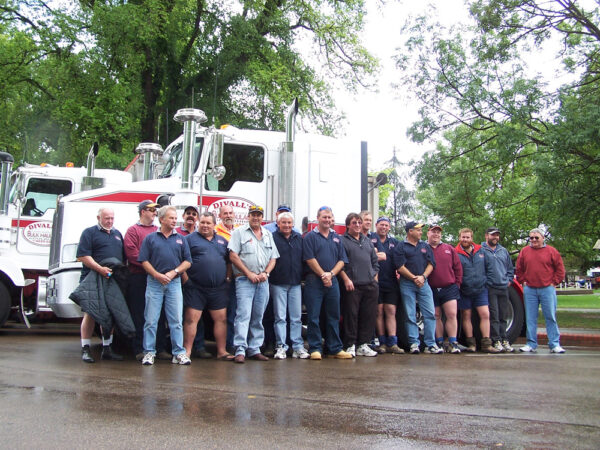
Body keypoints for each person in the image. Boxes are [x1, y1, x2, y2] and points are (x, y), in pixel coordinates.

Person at [138, 206, 192, 365]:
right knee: (151, 320)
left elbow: (188, 261)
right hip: (154, 283)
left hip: (174, 283)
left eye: (175, 218)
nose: (175, 221)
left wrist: (174, 272)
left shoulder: (181, 239)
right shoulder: (150, 238)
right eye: (171, 218)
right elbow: (144, 260)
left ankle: (179, 353)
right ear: (162, 219)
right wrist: (156, 275)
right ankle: (149, 352)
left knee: (176, 320)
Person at [228, 205, 279, 363]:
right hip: (244, 280)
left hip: (263, 281)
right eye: (253, 215)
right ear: (248, 216)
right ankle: (240, 349)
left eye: (258, 215)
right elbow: (233, 255)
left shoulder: (268, 234)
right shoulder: (239, 232)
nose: (256, 217)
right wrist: (248, 273)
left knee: (258, 316)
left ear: (262, 217)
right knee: (243, 315)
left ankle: (254, 349)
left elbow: (273, 258)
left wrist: (266, 273)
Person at [303, 206, 352, 360]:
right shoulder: (310, 237)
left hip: (333, 281)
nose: (327, 220)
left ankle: (334, 348)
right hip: (314, 281)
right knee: (314, 316)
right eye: (324, 217)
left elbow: (342, 260)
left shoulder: (336, 237)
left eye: (330, 217)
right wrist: (323, 275)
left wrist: (330, 274)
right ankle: (315, 348)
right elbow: (309, 258)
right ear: (318, 218)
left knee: (334, 316)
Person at [76, 207, 125, 363]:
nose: (110, 221)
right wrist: (100, 269)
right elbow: (83, 256)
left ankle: (107, 348)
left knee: (109, 314)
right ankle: (85, 349)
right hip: (92, 279)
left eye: (112, 218)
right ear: (99, 218)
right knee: (90, 313)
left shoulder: (118, 235)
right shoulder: (89, 233)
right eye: (106, 218)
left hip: (111, 280)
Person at [182, 212, 233, 360]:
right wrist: (186, 280)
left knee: (221, 319)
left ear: (214, 225)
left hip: (218, 289)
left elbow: (229, 261)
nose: (205, 225)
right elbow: (180, 260)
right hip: (195, 288)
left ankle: (222, 352)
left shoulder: (223, 241)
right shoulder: (188, 240)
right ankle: (186, 352)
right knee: (191, 319)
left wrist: (228, 278)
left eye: (208, 223)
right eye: (202, 222)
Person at [124, 200, 171, 361]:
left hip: (158, 278)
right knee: (140, 313)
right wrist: (153, 267)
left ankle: (160, 347)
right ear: (142, 211)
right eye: (151, 210)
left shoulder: (158, 231)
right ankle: (140, 348)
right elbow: (132, 254)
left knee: (160, 314)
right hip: (139, 277)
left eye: (155, 210)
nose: (154, 213)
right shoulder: (133, 231)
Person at [392, 221, 441, 354]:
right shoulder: (401, 246)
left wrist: (423, 277)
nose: (420, 232)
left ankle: (431, 344)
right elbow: (400, 266)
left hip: (424, 283)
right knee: (410, 314)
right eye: (418, 230)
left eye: (420, 230)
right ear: (410, 231)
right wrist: (414, 278)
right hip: (407, 283)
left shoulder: (425, 246)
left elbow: (431, 264)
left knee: (430, 313)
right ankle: (414, 343)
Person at [516, 228, 566, 353]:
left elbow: (560, 269)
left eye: (536, 237)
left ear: (543, 238)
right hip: (530, 289)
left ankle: (554, 344)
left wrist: (554, 282)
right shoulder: (524, 251)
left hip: (547, 289)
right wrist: (523, 281)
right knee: (530, 318)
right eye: (531, 238)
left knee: (550, 317)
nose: (533, 240)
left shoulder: (552, 251)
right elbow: (519, 268)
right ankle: (531, 343)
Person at [339, 213, 380, 357]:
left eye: (359, 222)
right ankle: (350, 345)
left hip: (370, 285)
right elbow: (340, 262)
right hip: (352, 285)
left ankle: (363, 345)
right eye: (354, 222)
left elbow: (375, 262)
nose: (357, 225)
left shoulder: (367, 241)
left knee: (368, 316)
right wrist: (346, 279)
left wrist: (373, 277)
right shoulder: (342, 241)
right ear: (348, 225)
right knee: (351, 316)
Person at [270, 212, 309, 359]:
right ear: (278, 224)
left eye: (289, 223)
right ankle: (281, 347)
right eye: (283, 222)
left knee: (296, 318)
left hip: (295, 284)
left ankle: (298, 347)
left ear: (293, 224)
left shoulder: (299, 238)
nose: (286, 225)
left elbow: (304, 259)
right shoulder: (272, 238)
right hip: (278, 283)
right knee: (280, 317)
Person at [175, 205, 212, 359]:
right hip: (186, 284)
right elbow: (179, 258)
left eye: (193, 214)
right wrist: (186, 279)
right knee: (184, 317)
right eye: (188, 213)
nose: (191, 216)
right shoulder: (179, 234)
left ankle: (199, 346)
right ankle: (182, 349)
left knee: (198, 319)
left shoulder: (203, 235)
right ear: (183, 216)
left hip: (204, 287)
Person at [455, 228, 496, 353]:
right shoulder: (455, 253)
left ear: (472, 238)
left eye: (467, 237)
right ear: (459, 238)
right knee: (466, 316)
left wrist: (487, 283)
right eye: (463, 237)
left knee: (485, 314)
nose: (465, 239)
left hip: (480, 290)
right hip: (464, 291)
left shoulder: (481, 251)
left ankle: (486, 344)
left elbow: (490, 268)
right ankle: (471, 344)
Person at [426, 224, 463, 353]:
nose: (436, 234)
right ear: (428, 233)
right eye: (433, 232)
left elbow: (458, 267)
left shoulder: (449, 248)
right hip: (431, 288)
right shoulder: (423, 248)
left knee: (451, 314)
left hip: (449, 287)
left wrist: (457, 284)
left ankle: (453, 343)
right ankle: (439, 342)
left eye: (438, 232)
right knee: (436, 315)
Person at [373, 217, 404, 354]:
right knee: (378, 311)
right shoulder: (370, 239)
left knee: (391, 311)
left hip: (391, 282)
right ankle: (382, 342)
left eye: (386, 225)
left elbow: (400, 261)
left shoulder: (395, 243)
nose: (384, 227)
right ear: (376, 225)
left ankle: (393, 342)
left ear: (389, 227)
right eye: (381, 224)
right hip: (376, 282)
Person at [482, 227, 515, 352]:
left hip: (503, 288)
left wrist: (509, 280)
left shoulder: (503, 251)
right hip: (490, 288)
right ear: (486, 236)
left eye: (497, 235)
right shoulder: (481, 250)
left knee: (503, 315)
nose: (495, 237)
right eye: (492, 235)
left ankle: (504, 340)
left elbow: (510, 268)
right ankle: (496, 340)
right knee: (494, 316)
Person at [215, 205, 237, 352]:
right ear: (220, 215)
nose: (228, 215)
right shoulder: (215, 230)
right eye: (225, 213)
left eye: (230, 213)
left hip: (239, 277)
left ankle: (235, 343)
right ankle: (227, 345)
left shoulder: (240, 230)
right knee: (223, 314)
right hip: (223, 278)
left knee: (236, 312)